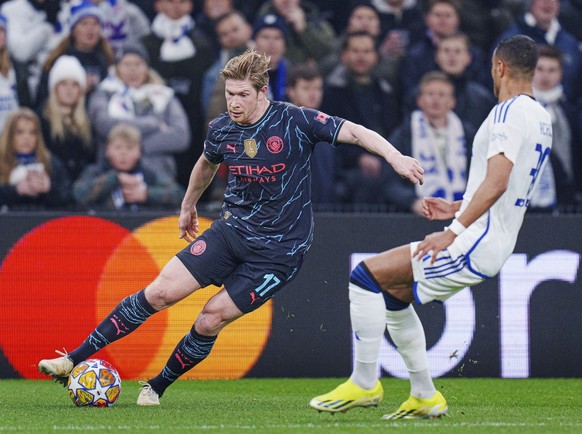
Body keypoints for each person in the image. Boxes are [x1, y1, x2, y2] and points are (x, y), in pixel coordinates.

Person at [38, 48, 424, 406]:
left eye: (241, 95)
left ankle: (157, 386)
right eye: (229, 94)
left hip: (279, 253)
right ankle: (72, 359)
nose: (234, 103)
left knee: (210, 318)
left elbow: (355, 131)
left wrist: (395, 157)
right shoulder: (222, 128)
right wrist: (188, 205)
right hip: (231, 232)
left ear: (261, 91)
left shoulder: (295, 121)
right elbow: (205, 165)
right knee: (159, 293)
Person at [310, 35, 553, 419]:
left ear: (499, 67)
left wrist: (452, 230)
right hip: (493, 239)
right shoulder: (541, 116)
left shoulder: (508, 113)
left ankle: (364, 382)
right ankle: (424, 395)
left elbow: (499, 182)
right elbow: (510, 185)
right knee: (393, 292)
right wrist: (459, 204)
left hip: (473, 241)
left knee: (365, 276)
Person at [88, 42, 190, 183]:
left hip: (157, 176)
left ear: (147, 68)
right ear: (117, 68)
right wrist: (153, 124)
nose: (133, 70)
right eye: (127, 64)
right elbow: (104, 124)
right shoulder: (103, 93)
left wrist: (138, 148)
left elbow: (180, 136)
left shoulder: (165, 96)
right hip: (112, 177)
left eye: (138, 64)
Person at [141, 0, 214, 188]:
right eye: (170, 1)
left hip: (194, 120)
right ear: (158, 5)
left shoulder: (202, 43)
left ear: (190, 6)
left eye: (182, 2)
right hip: (156, 121)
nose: (176, 7)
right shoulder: (146, 43)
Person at [321, 31, 400, 205]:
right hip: (346, 167)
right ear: (343, 55)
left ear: (376, 56)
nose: (361, 56)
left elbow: (394, 131)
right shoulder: (331, 92)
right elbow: (326, 136)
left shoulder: (386, 91)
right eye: (355, 51)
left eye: (366, 51)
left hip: (385, 161)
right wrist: (358, 158)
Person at [385, 71, 470, 215]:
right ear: (420, 100)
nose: (435, 100)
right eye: (430, 94)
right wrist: (413, 202)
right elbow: (388, 182)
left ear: (452, 102)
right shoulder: (403, 134)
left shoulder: (468, 134)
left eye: (442, 95)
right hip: (416, 216)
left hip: (462, 213)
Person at [72, 123, 184, 210]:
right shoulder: (96, 172)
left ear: (139, 151)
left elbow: (178, 194)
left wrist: (146, 194)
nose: (123, 153)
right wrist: (115, 178)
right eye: (118, 148)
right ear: (107, 150)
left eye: (129, 148)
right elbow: (78, 194)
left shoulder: (149, 175)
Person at [0, 107, 72, 209]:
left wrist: (49, 188)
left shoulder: (51, 162)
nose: (27, 138)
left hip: (43, 222)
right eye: (20, 132)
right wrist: (16, 190)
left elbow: (68, 198)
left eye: (32, 132)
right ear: (9, 135)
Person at [39, 55, 93, 183]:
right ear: (54, 88)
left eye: (74, 85)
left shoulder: (87, 121)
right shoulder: (42, 120)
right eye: (63, 84)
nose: (69, 90)